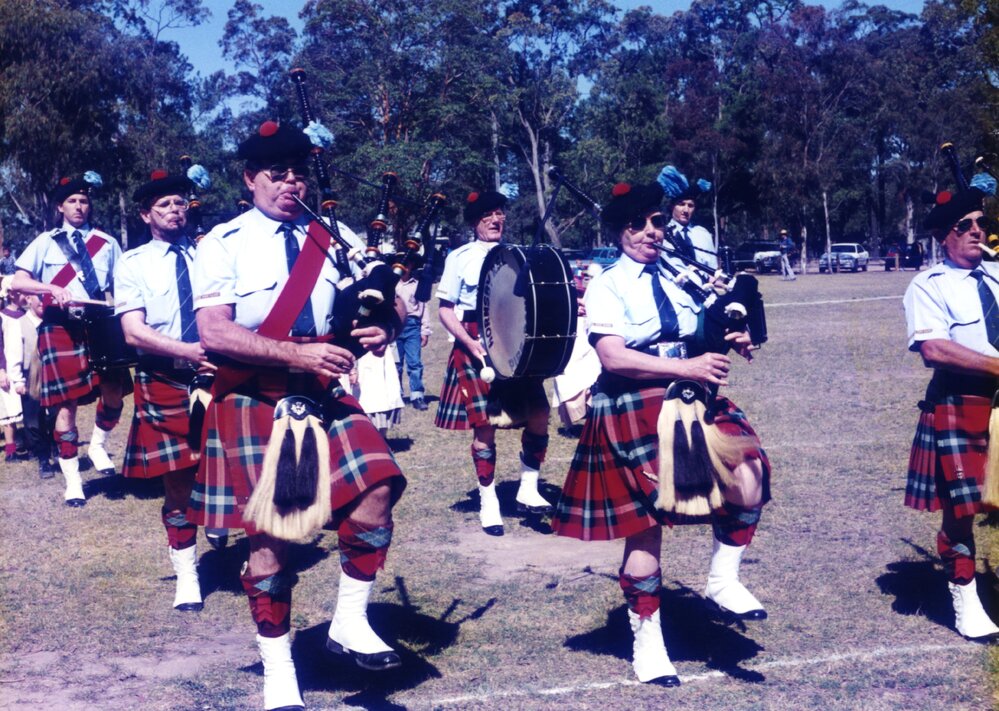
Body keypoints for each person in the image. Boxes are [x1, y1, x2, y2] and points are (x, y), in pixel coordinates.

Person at [189, 121, 407, 710]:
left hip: (322, 390)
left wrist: (385, 325)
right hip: (253, 395)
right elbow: (214, 330)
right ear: (249, 179)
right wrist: (295, 351)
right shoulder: (223, 242)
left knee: (380, 483)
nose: (290, 183)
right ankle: (279, 670)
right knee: (270, 543)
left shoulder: (333, 237)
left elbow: (385, 303)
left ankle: (348, 622)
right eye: (276, 174)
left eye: (297, 174)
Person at [553, 181, 770, 686]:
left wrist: (731, 337)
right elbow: (613, 356)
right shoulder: (608, 282)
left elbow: (699, 327)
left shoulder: (679, 275)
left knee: (751, 473)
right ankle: (648, 641)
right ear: (622, 231)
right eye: (640, 225)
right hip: (635, 398)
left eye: (656, 222)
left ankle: (722, 579)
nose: (651, 232)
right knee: (646, 527)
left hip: (692, 392)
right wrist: (689, 366)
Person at [902, 175, 999, 641]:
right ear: (946, 236)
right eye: (966, 224)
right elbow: (935, 350)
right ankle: (966, 600)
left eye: (982, 221)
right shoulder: (929, 284)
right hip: (963, 401)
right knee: (961, 511)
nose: (978, 230)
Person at [115, 169, 213, 612]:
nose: (175, 211)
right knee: (179, 483)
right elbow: (134, 332)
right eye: (164, 205)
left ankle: (229, 531)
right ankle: (187, 575)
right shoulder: (133, 263)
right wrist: (187, 350)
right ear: (145, 215)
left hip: (220, 374)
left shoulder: (210, 253)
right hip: (166, 376)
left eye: (180, 203)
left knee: (231, 468)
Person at [434, 190, 554, 536]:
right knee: (484, 426)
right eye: (488, 215)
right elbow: (445, 308)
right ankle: (489, 501)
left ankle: (528, 487)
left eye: (500, 213)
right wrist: (469, 342)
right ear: (476, 222)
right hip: (475, 338)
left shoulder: (517, 255)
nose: (495, 220)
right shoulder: (459, 257)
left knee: (540, 413)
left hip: (513, 337)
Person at [12, 173, 127, 506]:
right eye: (72, 201)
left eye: (84, 201)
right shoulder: (45, 241)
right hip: (59, 325)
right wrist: (50, 288)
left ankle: (98, 445)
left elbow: (123, 284)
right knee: (66, 407)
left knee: (114, 393)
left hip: (100, 324)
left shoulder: (107, 242)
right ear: (61, 206)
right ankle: (73, 480)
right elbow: (20, 281)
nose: (79, 206)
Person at [658, 166, 717, 272]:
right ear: (672, 206)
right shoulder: (660, 233)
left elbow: (713, 268)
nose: (686, 210)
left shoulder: (703, 234)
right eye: (681, 204)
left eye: (690, 206)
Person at [394, 270, 431, 410]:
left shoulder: (417, 285)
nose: (405, 267)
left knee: (414, 363)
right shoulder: (392, 283)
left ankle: (417, 396)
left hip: (412, 326)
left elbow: (424, 308)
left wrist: (425, 330)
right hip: (395, 325)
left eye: (409, 264)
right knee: (396, 364)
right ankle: (397, 395)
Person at [0, 278, 26, 461]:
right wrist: (1, 370)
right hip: (7, 367)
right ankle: (11, 449)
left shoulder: (27, 315)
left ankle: (36, 442)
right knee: (8, 408)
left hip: (25, 367)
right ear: (10, 294)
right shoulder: (2, 317)